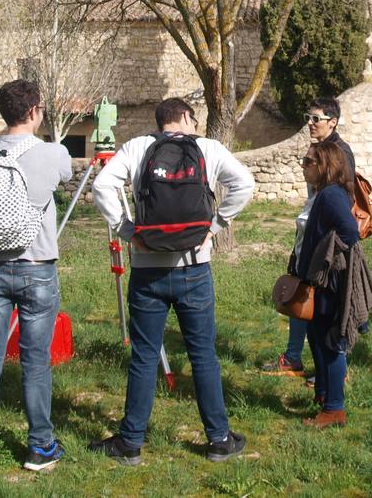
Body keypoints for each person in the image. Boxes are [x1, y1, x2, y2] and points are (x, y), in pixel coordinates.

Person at [89, 97, 254, 466]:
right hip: (194, 267)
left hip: (148, 269)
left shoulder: (136, 147)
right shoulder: (207, 149)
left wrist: (128, 230)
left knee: (145, 355)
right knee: (203, 355)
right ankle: (218, 439)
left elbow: (102, 187)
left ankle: (130, 443)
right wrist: (217, 224)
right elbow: (245, 183)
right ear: (186, 118)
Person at [0, 79, 73, 474]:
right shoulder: (53, 152)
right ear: (34, 111)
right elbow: (65, 177)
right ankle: (40, 446)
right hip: (36, 265)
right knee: (36, 361)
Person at [261, 98, 355, 378]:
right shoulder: (319, 149)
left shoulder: (340, 152)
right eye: (308, 118)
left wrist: (327, 243)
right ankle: (294, 357)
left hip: (327, 244)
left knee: (330, 308)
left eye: (316, 118)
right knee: (300, 292)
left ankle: (333, 368)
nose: (310, 124)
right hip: (311, 235)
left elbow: (342, 203)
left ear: (333, 121)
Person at [295, 140, 365, 428]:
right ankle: (323, 395)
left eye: (309, 161)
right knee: (316, 336)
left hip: (329, 282)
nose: (304, 166)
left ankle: (335, 409)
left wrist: (326, 258)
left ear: (324, 165)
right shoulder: (324, 194)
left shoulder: (332, 195)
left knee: (331, 342)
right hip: (316, 280)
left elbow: (350, 232)